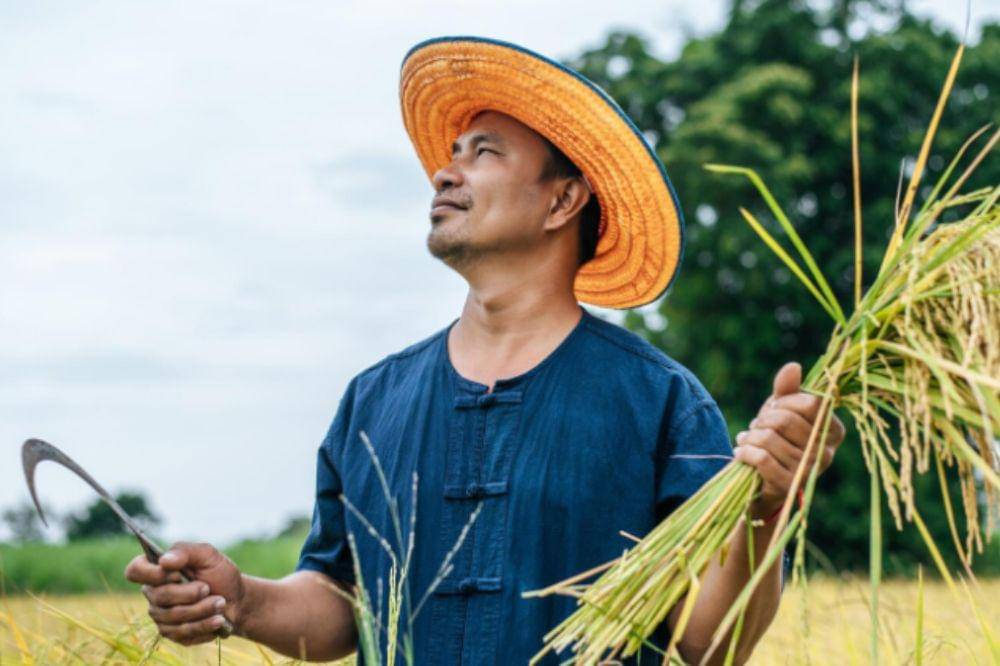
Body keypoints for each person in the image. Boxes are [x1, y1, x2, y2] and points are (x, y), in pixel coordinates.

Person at [125, 36, 845, 664]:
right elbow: (342, 603)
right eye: (451, 155)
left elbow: (706, 646)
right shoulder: (374, 400)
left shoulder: (658, 401)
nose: (445, 172)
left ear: (562, 202)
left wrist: (768, 505)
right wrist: (243, 601)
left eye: (483, 153)